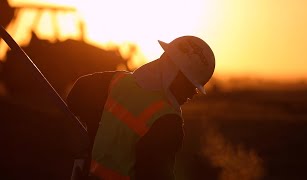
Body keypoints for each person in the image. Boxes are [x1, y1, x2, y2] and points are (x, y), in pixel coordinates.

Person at [66, 35, 215, 180]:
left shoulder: (118, 80)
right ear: (175, 75)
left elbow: (75, 97)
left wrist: (96, 132)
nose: (193, 93)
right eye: (190, 85)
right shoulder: (168, 121)